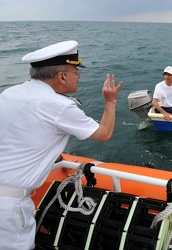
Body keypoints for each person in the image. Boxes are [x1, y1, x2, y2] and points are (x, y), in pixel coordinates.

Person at [0, 40, 123, 249]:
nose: (79, 75)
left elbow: (20, 135)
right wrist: (110, 101)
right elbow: (104, 134)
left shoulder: (11, 93)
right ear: (62, 76)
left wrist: (54, 156)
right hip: (8, 206)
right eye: (76, 70)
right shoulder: (58, 105)